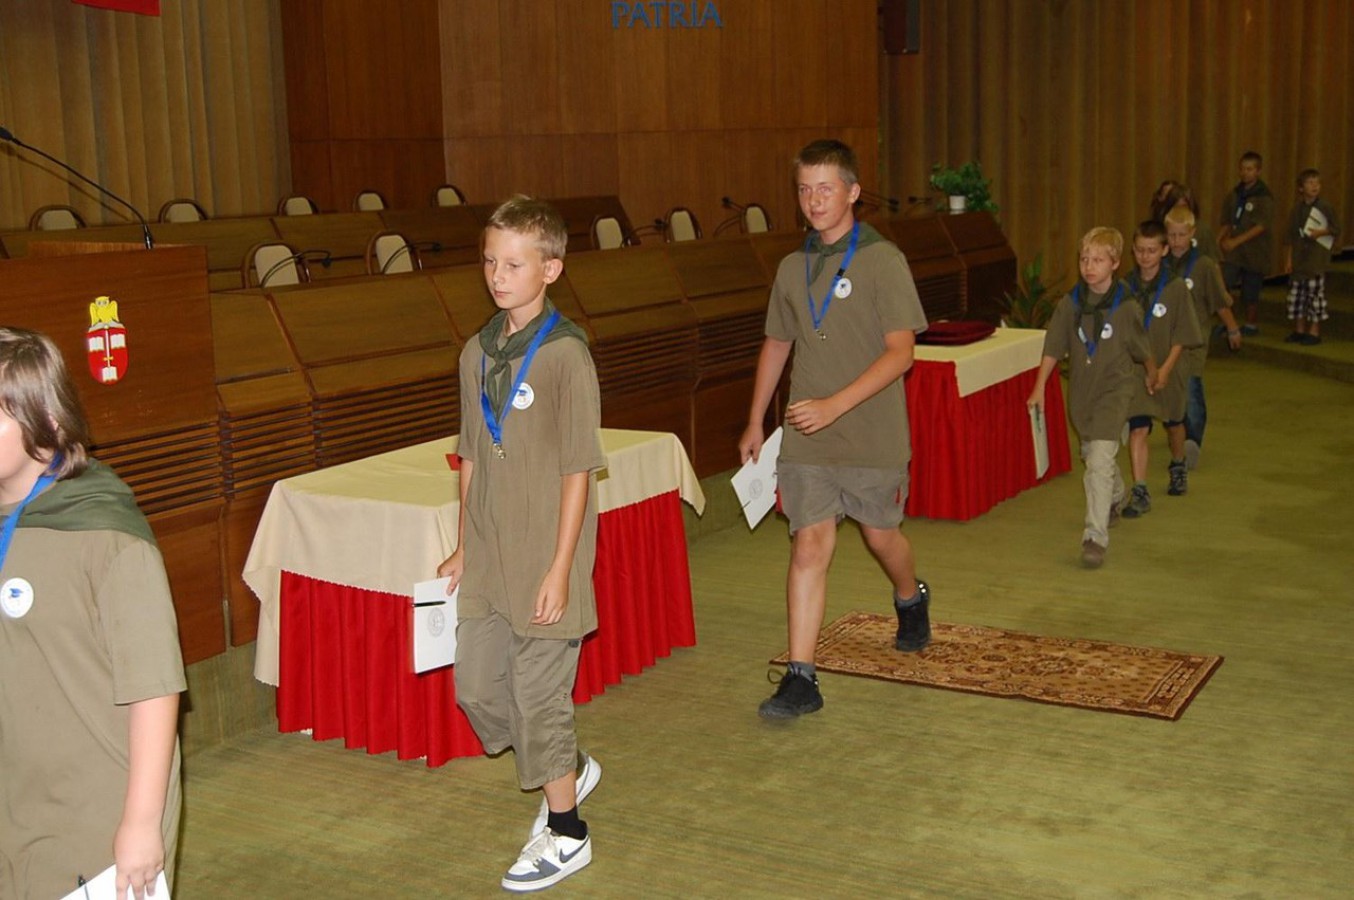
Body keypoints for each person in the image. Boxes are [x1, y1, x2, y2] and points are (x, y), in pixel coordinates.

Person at [437, 196, 605, 893]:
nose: (497, 277)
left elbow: (577, 471)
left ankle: (567, 832)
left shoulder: (566, 356)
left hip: (545, 554)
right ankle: (567, 761)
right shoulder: (476, 351)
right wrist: (463, 544)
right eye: (489, 262)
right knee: (477, 689)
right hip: (490, 552)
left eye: (513, 264)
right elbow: (472, 454)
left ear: (550, 269)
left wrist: (562, 568)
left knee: (538, 699)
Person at [739, 139, 930, 721]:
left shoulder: (882, 260)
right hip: (808, 436)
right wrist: (755, 418)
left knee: (880, 536)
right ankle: (801, 678)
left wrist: (835, 406)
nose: (814, 200)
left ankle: (910, 597)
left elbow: (902, 353)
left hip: (870, 433)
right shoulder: (791, 267)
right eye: (805, 189)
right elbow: (778, 343)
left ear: (853, 192)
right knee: (809, 545)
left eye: (826, 188)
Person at [0, 327, 183, 900]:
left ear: (49, 421)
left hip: (95, 817)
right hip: (17, 802)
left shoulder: (108, 536)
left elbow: (155, 691)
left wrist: (141, 823)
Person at [1027, 228, 1158, 569]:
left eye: (1098, 260)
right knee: (1093, 455)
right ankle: (1114, 495)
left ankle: (1095, 538)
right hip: (1083, 393)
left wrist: (1151, 371)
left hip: (1115, 391)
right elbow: (1053, 346)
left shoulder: (1126, 306)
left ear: (1114, 263)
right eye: (1084, 259)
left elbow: (1141, 347)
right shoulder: (1070, 304)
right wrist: (1039, 386)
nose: (1089, 266)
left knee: (1099, 459)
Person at [1121, 221, 1202, 511]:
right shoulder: (1125, 287)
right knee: (1138, 428)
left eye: (1152, 250)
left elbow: (1183, 333)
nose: (1145, 256)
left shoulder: (1175, 287)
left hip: (1170, 367)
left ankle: (1178, 464)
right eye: (1140, 250)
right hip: (1137, 370)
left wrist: (1165, 370)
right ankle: (1140, 489)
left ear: (1164, 250)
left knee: (1174, 423)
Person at [1164, 206, 1242, 470]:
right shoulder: (1161, 264)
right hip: (1165, 341)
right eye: (1171, 235)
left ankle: (1192, 440)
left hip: (1193, 341)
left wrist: (1232, 328)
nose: (1176, 241)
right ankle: (1174, 431)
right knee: (1171, 390)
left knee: (1192, 389)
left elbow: (1220, 302)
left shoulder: (1204, 265)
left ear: (1192, 234)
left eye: (1181, 235)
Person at [1283, 168, 1342, 346]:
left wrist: (1320, 232)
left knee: (1314, 297)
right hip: (1299, 260)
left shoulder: (1324, 207)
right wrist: (1289, 260)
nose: (1315, 186)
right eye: (1310, 183)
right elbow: (1291, 236)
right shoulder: (1296, 209)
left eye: (1317, 183)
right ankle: (1299, 330)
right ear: (1301, 188)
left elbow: (1336, 228)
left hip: (1316, 260)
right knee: (1297, 297)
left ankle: (1314, 332)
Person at [1218, 151, 1275, 336]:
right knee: (1224, 282)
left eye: (1249, 169)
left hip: (1255, 250)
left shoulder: (1264, 197)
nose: (1245, 173)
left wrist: (1236, 241)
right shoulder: (1235, 194)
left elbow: (1261, 226)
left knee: (1251, 288)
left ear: (1258, 171)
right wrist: (1217, 241)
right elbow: (1227, 221)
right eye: (1242, 169)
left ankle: (1251, 323)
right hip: (1235, 251)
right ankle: (1229, 321)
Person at [1150, 180, 1219, 260]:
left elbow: (1214, 262)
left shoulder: (1203, 230)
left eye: (1183, 206)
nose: (1180, 210)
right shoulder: (1161, 231)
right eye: (1175, 207)